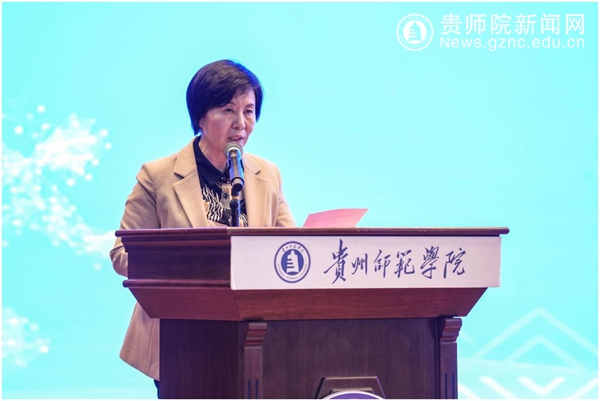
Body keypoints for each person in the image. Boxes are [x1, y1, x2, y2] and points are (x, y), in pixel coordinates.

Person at [109, 59, 295, 388]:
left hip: (254, 336)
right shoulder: (158, 176)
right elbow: (122, 255)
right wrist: (190, 263)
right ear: (200, 117)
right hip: (181, 337)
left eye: (249, 111)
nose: (241, 124)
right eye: (228, 110)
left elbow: (288, 245)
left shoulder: (267, 174)